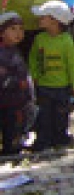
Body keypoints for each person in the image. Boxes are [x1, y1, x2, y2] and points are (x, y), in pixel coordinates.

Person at [28, 0, 74, 151]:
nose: (39, 19)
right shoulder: (39, 39)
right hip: (44, 85)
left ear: (54, 21)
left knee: (61, 116)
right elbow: (33, 58)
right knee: (43, 116)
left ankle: (60, 139)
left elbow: (72, 64)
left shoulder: (67, 41)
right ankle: (43, 140)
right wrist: (34, 76)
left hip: (62, 87)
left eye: (43, 16)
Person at [0, 12, 33, 156]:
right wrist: (18, 83)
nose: (18, 33)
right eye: (13, 29)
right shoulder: (2, 53)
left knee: (14, 130)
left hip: (16, 101)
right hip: (5, 101)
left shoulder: (15, 50)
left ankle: (12, 150)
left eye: (21, 29)